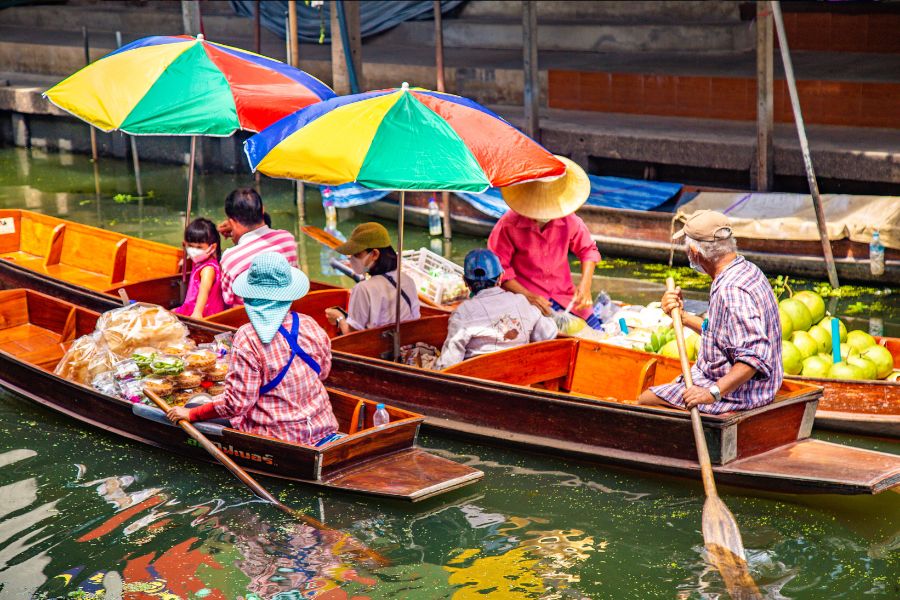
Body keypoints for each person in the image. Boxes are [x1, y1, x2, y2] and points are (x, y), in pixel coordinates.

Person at [167, 252, 340, 446]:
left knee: (192, 404)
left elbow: (236, 405)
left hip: (277, 437)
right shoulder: (310, 324)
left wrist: (192, 413)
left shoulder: (248, 337)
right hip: (322, 424)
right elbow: (322, 372)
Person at [637, 210, 783, 414]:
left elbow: (754, 357)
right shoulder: (747, 269)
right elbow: (720, 335)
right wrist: (682, 315)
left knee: (645, 400)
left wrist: (712, 393)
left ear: (695, 252)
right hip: (746, 385)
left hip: (743, 393)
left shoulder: (730, 290)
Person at [488, 156, 602, 326]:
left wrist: (585, 285)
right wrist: (528, 296)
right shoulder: (508, 224)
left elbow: (588, 251)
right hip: (524, 298)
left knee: (595, 332)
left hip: (565, 296)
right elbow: (498, 269)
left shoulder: (568, 219)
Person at [435, 249, 557, 370]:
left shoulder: (463, 312)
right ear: (500, 277)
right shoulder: (521, 301)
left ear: (465, 281)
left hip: (478, 384)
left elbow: (448, 364)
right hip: (519, 379)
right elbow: (548, 334)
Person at [324, 222, 420, 334]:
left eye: (357, 254)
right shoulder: (407, 280)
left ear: (374, 254)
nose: (351, 259)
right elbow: (415, 318)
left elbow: (352, 335)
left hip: (379, 349)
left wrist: (339, 317)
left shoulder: (363, 289)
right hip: (408, 344)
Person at [217, 188, 299, 306]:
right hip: (286, 309)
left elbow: (227, 299)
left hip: (246, 320)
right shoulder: (287, 239)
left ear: (232, 221)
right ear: (263, 211)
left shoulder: (230, 258)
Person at [173, 217, 226, 319]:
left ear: (212, 247)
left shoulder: (208, 269)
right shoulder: (199, 262)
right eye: (190, 246)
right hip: (190, 307)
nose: (193, 251)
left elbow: (204, 291)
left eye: (199, 247)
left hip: (204, 312)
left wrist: (197, 312)